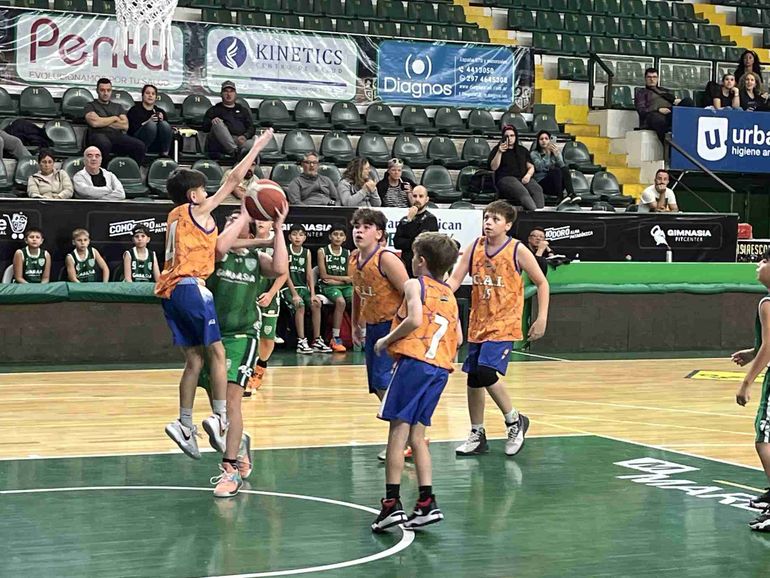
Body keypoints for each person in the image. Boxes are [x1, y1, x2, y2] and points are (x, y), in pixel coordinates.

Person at [154, 130, 274, 474]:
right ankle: (221, 418)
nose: (209, 195)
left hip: (169, 293)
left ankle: (184, 422)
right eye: (204, 191)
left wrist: (257, 241)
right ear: (193, 196)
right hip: (192, 287)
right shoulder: (197, 210)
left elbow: (222, 245)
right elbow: (233, 179)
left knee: (195, 359)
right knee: (218, 353)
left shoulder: (175, 216)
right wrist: (257, 147)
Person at [371, 232, 462, 533]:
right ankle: (426, 502)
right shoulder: (450, 295)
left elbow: (414, 319)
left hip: (414, 364)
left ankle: (391, 504)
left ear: (420, 261)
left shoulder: (415, 284)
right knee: (418, 437)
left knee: (397, 433)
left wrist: (386, 340)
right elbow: (459, 338)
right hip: (439, 370)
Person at [198, 205, 288, 497]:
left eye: (241, 221)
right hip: (211, 335)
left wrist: (278, 228)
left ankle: (230, 469)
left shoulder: (256, 259)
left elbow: (280, 268)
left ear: (248, 233)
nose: (235, 223)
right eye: (231, 220)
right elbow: (220, 246)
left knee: (231, 401)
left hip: (242, 335)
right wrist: (247, 216)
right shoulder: (214, 252)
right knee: (218, 407)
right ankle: (240, 444)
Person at [447, 200, 550, 457]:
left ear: (508, 225)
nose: (489, 223)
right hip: (479, 321)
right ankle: (477, 433)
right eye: (486, 218)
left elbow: (541, 282)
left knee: (485, 371)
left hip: (504, 322)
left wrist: (542, 317)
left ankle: (514, 420)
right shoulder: (475, 247)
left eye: (495, 219)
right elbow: (456, 278)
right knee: (473, 377)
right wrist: (438, 294)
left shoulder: (517, 250)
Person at [349, 209, 409, 436]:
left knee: (383, 381)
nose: (359, 231)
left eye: (366, 227)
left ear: (379, 233)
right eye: (357, 227)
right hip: (373, 325)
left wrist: (403, 326)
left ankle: (406, 432)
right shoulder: (353, 258)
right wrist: (355, 323)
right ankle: (406, 430)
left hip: (392, 325)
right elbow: (357, 291)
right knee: (376, 385)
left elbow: (410, 293)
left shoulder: (386, 259)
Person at [732, 250, 770, 532]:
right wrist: (752, 352)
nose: (758, 264)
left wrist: (747, 382)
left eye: (765, 261)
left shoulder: (767, 303)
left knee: (763, 440)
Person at [245, 219, 288, 394]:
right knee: (249, 335)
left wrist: (270, 294)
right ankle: (247, 371)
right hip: (248, 295)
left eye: (265, 219)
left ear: (272, 223)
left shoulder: (277, 242)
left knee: (267, 338)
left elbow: (284, 272)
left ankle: (260, 368)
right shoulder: (247, 240)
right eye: (259, 218)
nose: (261, 222)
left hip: (269, 295)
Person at [281, 224, 333, 355]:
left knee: (316, 303)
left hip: (304, 288)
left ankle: (317, 340)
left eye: (301, 234)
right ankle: (301, 341)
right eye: (294, 234)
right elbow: (285, 274)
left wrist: (313, 294)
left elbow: (309, 274)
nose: (297, 237)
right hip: (287, 288)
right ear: (289, 237)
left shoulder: (307, 252)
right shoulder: (285, 250)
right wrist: (294, 294)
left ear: (305, 237)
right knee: (300, 305)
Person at [84, 78, 145, 164]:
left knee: (140, 146)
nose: (105, 93)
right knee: (104, 144)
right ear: (97, 91)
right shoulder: (90, 105)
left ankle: (133, 170)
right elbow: (94, 123)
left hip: (116, 136)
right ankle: (103, 170)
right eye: (102, 90)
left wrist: (102, 121)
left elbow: (125, 126)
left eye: (108, 90)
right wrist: (114, 118)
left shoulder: (118, 107)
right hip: (97, 135)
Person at [489, 125, 543, 211]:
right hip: (505, 178)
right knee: (522, 191)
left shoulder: (522, 150)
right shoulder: (497, 149)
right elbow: (493, 167)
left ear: (516, 137)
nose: (510, 138)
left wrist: (528, 175)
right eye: (507, 136)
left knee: (537, 189)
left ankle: (538, 213)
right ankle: (535, 213)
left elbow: (531, 166)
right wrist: (499, 152)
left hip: (522, 177)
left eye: (512, 135)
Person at [317, 225, 354, 353]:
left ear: (345, 238)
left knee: (359, 299)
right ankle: (335, 338)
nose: (338, 237)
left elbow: (350, 277)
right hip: (328, 286)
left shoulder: (347, 253)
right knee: (340, 301)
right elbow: (323, 276)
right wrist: (342, 279)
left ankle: (362, 336)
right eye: (335, 234)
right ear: (330, 236)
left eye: (341, 235)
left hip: (342, 285)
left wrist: (337, 280)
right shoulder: (322, 251)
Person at [634, 67, 693, 144]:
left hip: (670, 112)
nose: (652, 79)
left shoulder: (664, 91)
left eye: (654, 77)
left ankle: (689, 133)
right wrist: (658, 109)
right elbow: (641, 110)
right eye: (649, 77)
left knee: (688, 101)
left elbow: (674, 101)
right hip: (654, 115)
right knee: (657, 118)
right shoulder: (641, 93)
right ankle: (667, 144)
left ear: (658, 78)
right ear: (645, 78)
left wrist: (676, 101)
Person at [201, 81, 255, 159]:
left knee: (254, 142)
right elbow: (204, 127)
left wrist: (245, 136)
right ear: (221, 94)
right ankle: (234, 151)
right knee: (217, 123)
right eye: (226, 91)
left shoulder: (242, 110)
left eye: (231, 91)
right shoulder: (214, 109)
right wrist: (212, 122)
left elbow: (251, 127)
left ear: (235, 94)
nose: (228, 94)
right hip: (221, 143)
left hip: (240, 140)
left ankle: (242, 155)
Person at [393, 185, 438, 278]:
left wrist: (409, 227)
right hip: (406, 266)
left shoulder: (430, 219)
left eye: (421, 196)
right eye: (414, 196)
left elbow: (419, 244)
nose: (417, 199)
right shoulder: (405, 219)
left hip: (422, 267)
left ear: (426, 199)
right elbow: (397, 243)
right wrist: (409, 220)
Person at [530, 130, 579, 206]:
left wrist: (557, 155)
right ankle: (560, 197)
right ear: (538, 141)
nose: (544, 141)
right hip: (542, 183)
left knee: (564, 169)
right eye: (541, 139)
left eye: (546, 139)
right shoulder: (534, 154)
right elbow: (539, 167)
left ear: (550, 141)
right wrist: (547, 154)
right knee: (555, 170)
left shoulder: (554, 152)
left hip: (556, 183)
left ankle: (571, 193)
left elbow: (562, 165)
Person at [127, 84, 173, 157]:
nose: (150, 95)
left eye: (153, 94)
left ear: (155, 97)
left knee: (164, 124)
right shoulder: (134, 110)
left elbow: (167, 132)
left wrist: (161, 120)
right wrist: (148, 121)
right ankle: (142, 154)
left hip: (157, 143)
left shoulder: (160, 111)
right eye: (147, 93)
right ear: (143, 95)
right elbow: (131, 131)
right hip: (139, 141)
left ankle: (165, 153)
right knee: (151, 125)